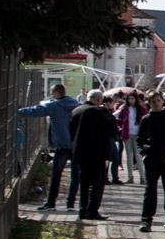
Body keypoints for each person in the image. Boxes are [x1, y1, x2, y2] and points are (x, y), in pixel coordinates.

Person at [19, 83, 81, 212]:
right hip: (76, 145)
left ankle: (51, 203)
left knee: (56, 175)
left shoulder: (54, 105)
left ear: (57, 93)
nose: (51, 95)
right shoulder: (75, 104)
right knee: (75, 176)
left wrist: (17, 112)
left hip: (62, 145)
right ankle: (70, 204)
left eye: (52, 93)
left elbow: (35, 111)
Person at [68, 89, 117, 220]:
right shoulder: (98, 112)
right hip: (97, 152)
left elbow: (72, 131)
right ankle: (92, 210)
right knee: (97, 183)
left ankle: (82, 209)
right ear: (98, 100)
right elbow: (112, 128)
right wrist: (108, 111)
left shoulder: (76, 110)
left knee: (84, 182)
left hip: (80, 151)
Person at [136, 91, 165, 234]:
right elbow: (139, 140)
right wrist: (143, 153)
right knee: (150, 190)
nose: (156, 103)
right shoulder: (146, 119)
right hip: (152, 158)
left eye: (158, 100)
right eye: (153, 101)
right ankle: (146, 220)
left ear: (163, 101)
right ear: (149, 103)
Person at [114, 92, 142, 185]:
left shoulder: (141, 109)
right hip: (127, 134)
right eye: (129, 99)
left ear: (136, 99)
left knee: (138, 156)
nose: (131, 101)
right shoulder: (124, 108)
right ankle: (130, 177)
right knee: (129, 156)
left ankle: (142, 177)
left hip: (138, 134)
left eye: (132, 99)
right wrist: (121, 127)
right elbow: (116, 116)